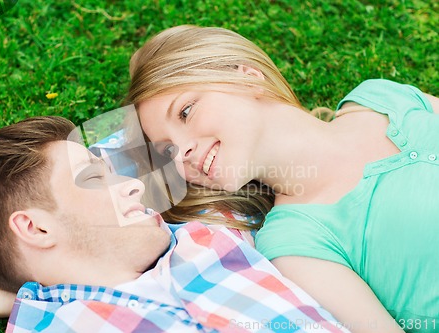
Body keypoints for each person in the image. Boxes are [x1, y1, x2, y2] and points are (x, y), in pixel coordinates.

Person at [125, 25, 439, 332]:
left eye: (185, 112)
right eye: (168, 151)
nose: (182, 155)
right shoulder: (295, 243)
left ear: (247, 77)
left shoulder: (381, 99)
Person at [0, 116, 348, 332]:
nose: (135, 186)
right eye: (97, 178)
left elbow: (153, 134)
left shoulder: (210, 236)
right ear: (36, 229)